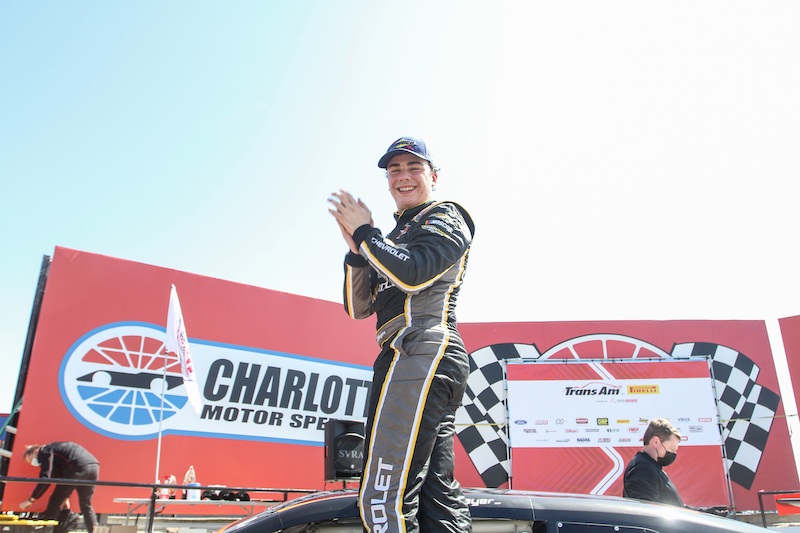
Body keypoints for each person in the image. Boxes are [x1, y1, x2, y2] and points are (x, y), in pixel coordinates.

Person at [328, 136, 475, 533]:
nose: (403, 176)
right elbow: (359, 308)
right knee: (435, 496)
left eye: (414, 167)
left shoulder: (444, 214)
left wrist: (366, 234)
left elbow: (413, 274)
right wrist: (357, 252)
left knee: (383, 495)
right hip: (411, 356)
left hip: (421, 351)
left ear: (433, 176)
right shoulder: (391, 240)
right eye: (394, 170)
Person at [19, 442, 100, 533]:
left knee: (55, 500)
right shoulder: (55, 450)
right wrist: (66, 497)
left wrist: (31, 500)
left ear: (35, 451)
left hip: (77, 466)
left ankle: (47, 530)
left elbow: (46, 479)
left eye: (31, 459)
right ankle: (94, 531)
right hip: (93, 465)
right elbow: (63, 472)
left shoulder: (45, 452)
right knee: (86, 504)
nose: (33, 463)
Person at [623, 418, 684, 506]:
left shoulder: (651, 466)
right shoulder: (643, 469)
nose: (674, 453)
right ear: (656, 442)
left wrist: (701, 511)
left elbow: (675, 506)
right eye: (671, 448)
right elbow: (646, 509)